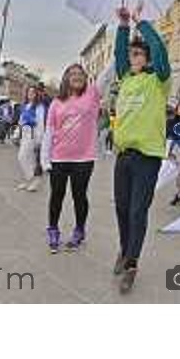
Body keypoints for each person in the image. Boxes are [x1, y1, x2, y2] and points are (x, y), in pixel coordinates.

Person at [112, 2, 171, 294]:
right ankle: (124, 250)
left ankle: (132, 262)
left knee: (137, 211)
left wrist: (141, 22)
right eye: (131, 53)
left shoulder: (158, 81)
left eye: (136, 53)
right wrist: (123, 26)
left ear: (146, 58)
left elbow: (161, 52)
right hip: (123, 155)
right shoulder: (125, 79)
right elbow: (117, 55)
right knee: (122, 209)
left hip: (147, 157)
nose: (131, 57)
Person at [40, 62, 113, 253]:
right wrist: (44, 158)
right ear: (66, 78)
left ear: (85, 77)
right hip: (59, 158)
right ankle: (53, 229)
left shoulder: (92, 94)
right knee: (57, 196)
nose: (77, 76)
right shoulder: (56, 102)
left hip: (83, 158)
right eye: (72, 73)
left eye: (80, 73)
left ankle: (79, 229)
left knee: (79, 196)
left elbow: (106, 75)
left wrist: (122, 37)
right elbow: (49, 131)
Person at [16, 86, 46, 192]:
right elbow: (20, 121)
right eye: (28, 92)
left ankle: (35, 180)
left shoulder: (39, 107)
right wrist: (16, 134)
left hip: (33, 134)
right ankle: (28, 179)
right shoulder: (25, 106)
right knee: (23, 158)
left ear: (36, 94)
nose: (30, 94)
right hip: (25, 134)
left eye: (33, 92)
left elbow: (40, 123)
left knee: (27, 157)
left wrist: (39, 139)